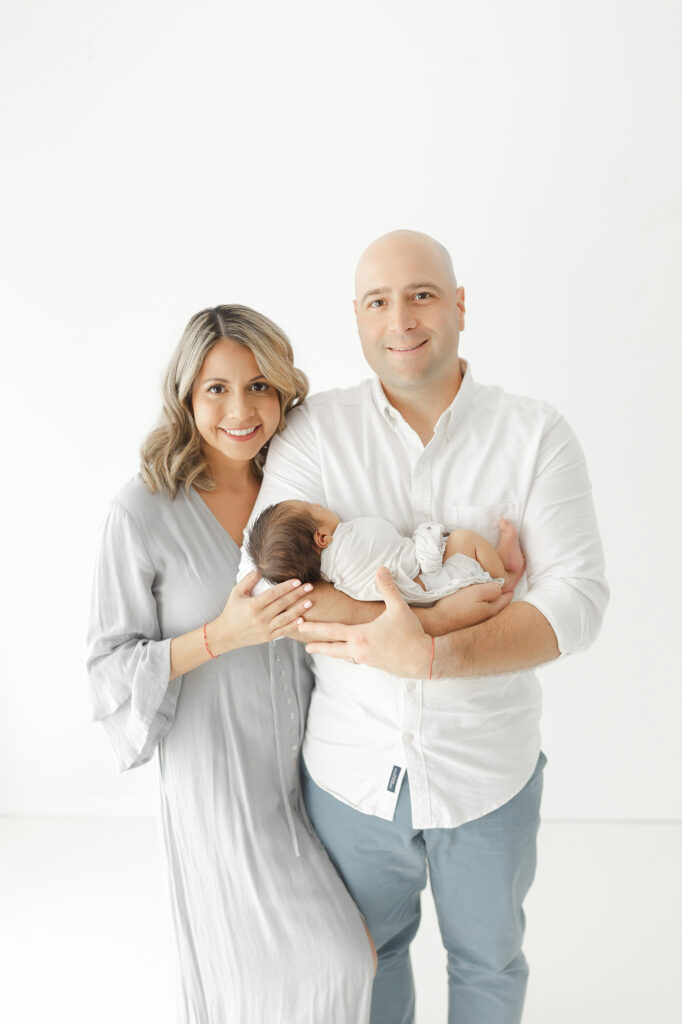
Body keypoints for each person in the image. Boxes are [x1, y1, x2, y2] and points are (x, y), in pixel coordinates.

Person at [239, 231, 609, 1024]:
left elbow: (577, 603)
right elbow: (265, 583)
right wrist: (424, 625)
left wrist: (435, 657)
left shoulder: (535, 434)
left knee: (489, 964)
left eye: (422, 294)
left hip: (487, 773)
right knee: (368, 963)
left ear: (460, 306)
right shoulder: (312, 434)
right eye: (378, 300)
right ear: (357, 318)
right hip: (350, 775)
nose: (400, 318)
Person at [86, 305, 375, 1024]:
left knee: (340, 969)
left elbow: (372, 564)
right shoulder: (141, 510)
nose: (240, 409)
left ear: (284, 392)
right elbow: (107, 668)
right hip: (216, 782)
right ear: (186, 395)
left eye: (259, 387)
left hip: (311, 766)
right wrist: (220, 636)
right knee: (319, 964)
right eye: (216, 388)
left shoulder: (298, 487)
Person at [246, 498, 526, 603]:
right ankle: (504, 571)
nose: (320, 504)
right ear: (321, 537)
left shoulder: (335, 580)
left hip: (421, 599)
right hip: (428, 576)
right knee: (465, 540)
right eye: (315, 508)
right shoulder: (349, 536)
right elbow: (389, 535)